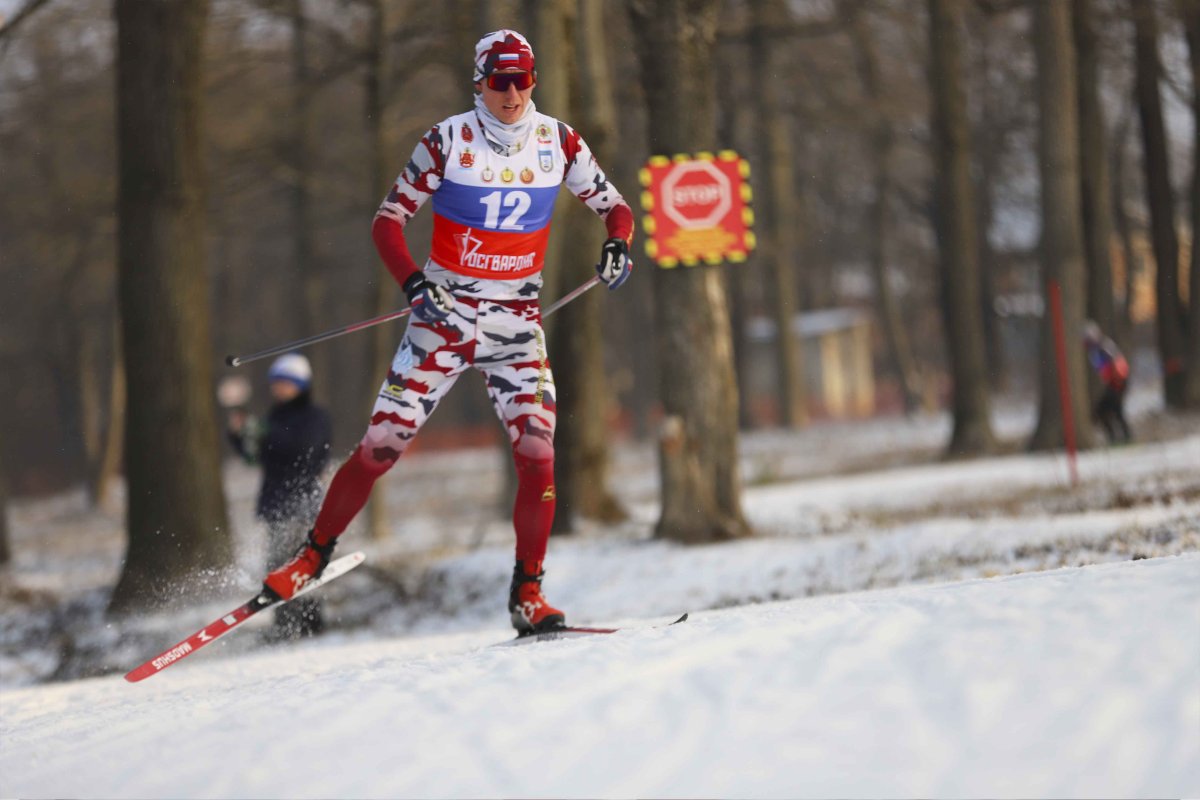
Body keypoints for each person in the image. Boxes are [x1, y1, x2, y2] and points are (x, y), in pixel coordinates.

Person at [260, 30, 634, 635]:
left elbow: (615, 207)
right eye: (498, 81)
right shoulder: (447, 140)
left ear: (534, 79)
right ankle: (310, 559)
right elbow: (388, 223)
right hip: (445, 319)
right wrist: (413, 283)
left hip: (516, 324)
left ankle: (528, 595)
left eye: (522, 80)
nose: (511, 94)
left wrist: (617, 244)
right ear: (479, 82)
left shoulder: (558, 142)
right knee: (380, 448)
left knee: (538, 456)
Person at [229, 353, 333, 638]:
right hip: (277, 503)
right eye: (276, 383)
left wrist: (263, 433)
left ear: (300, 384)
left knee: (301, 565)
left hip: (303, 502)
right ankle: (285, 625)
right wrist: (240, 436)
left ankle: (310, 624)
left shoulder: (314, 416)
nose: (279, 389)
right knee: (276, 567)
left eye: (286, 383)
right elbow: (255, 457)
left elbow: (301, 448)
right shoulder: (274, 417)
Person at [1083, 321, 1132, 444]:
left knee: (1113, 410)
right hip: (1113, 382)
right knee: (1105, 411)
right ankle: (1117, 438)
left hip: (1118, 382)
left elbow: (1116, 363)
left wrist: (1117, 379)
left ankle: (1125, 438)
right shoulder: (1094, 350)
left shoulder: (1103, 346)